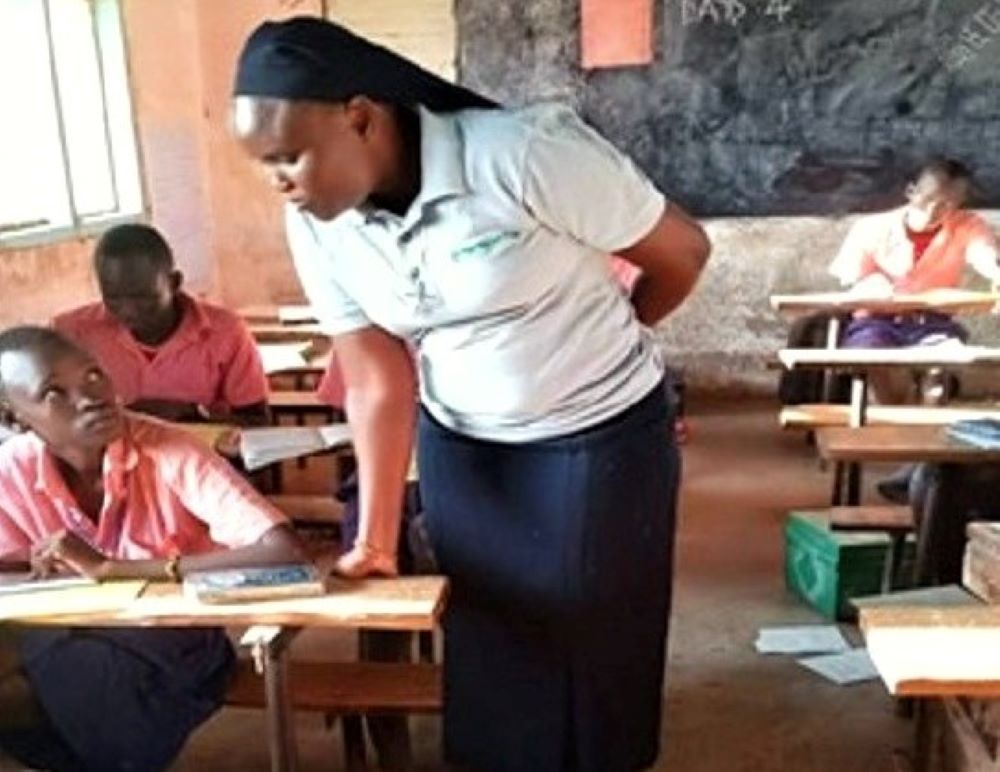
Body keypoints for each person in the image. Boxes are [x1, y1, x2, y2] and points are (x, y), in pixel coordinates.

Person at [231, 17, 710, 772]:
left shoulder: (521, 154)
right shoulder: (319, 224)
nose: (277, 181)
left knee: (595, 633)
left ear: (360, 116)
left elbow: (682, 252)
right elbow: (376, 375)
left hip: (601, 433)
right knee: (493, 628)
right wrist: (375, 539)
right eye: (263, 165)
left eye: (287, 155)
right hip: (465, 443)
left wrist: (619, 332)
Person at [0, 326, 307, 772]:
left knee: (51, 684)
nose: (90, 396)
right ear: (14, 420)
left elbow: (284, 550)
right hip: (64, 637)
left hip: (180, 644)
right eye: (54, 391)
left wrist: (115, 567)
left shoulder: (171, 450)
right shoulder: (11, 468)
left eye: (92, 375)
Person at [829, 159, 1000, 500]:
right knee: (876, 361)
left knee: (942, 368)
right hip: (877, 319)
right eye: (933, 198)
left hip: (930, 321)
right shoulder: (871, 228)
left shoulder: (967, 226)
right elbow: (850, 277)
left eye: (952, 202)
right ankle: (912, 452)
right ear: (911, 192)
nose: (940, 209)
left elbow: (989, 258)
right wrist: (877, 284)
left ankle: (921, 465)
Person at [53, 224, 270, 426]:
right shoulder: (72, 333)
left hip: (200, 460)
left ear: (174, 283)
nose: (128, 311)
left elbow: (257, 422)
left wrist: (192, 416)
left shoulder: (226, 332)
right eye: (113, 298)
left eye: (143, 297)